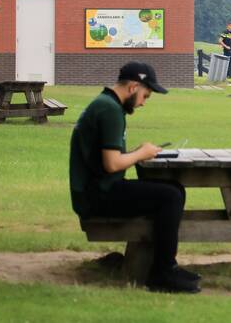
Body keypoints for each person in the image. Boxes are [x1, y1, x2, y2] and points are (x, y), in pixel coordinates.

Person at [68, 62, 200, 294]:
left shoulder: (105, 104)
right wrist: (141, 153)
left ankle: (166, 265)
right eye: (145, 96)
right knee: (170, 197)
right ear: (133, 87)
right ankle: (162, 273)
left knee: (174, 190)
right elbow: (111, 164)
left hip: (96, 189)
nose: (143, 103)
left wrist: (138, 152)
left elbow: (107, 159)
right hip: (97, 196)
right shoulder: (110, 110)